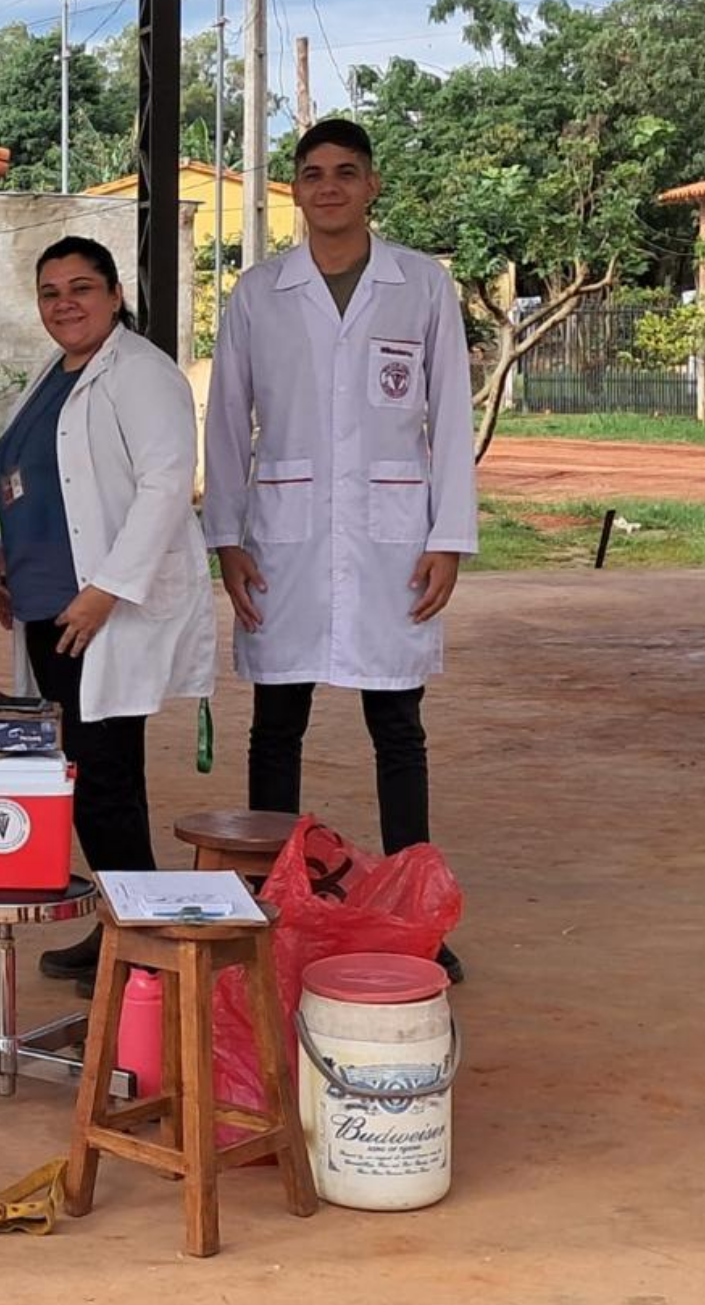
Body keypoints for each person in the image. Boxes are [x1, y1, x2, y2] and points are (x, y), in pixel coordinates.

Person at [202, 117, 477, 979]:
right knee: (275, 724)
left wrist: (450, 537)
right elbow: (227, 419)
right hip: (283, 535)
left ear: (372, 185)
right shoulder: (259, 293)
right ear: (296, 188)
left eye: (346, 173)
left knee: (397, 723)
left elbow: (451, 416)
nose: (329, 187)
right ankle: (269, 902)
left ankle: (417, 913)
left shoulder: (421, 285)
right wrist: (227, 537)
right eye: (313, 173)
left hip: (392, 534)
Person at [0, 238, 215, 993]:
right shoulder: (55, 376)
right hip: (53, 608)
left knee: (105, 773)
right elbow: (32, 484)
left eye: (82, 287)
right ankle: (123, 917)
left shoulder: (140, 372)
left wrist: (108, 588)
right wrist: (5, 557)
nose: (65, 304)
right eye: (50, 292)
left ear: (115, 295)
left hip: (99, 610)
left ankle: (139, 937)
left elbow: (165, 484)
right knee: (82, 772)